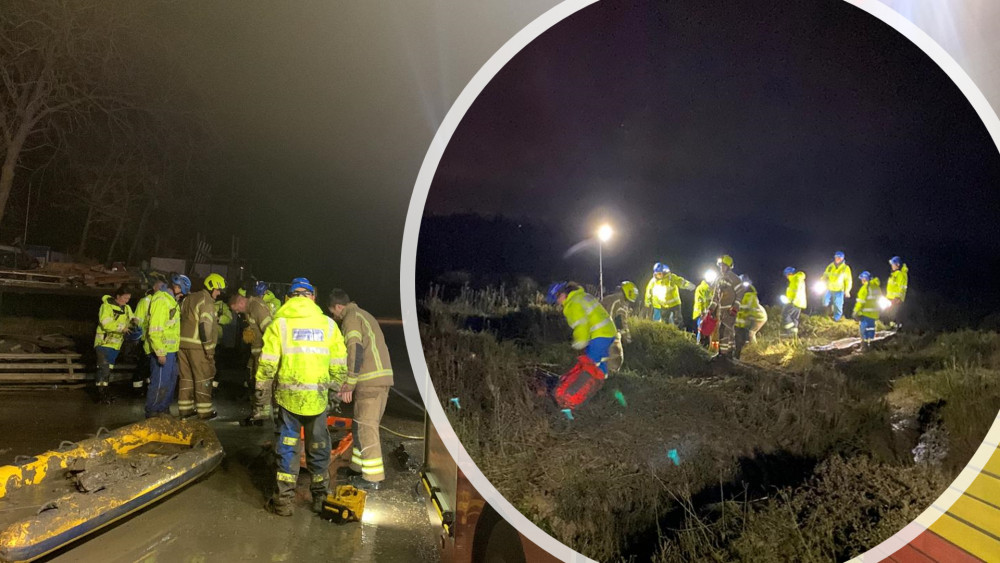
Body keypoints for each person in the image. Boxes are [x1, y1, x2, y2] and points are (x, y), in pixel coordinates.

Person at [252, 278, 347, 516]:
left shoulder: (280, 325)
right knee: (319, 447)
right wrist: (333, 392)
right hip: (317, 400)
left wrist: (261, 397)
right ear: (312, 297)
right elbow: (339, 364)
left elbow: (267, 365)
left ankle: (283, 502)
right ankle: (320, 499)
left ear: (290, 298)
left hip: (288, 400)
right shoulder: (328, 325)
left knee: (287, 448)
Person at [328, 289, 394, 491]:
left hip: (370, 382)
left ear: (339, 307)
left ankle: (373, 479)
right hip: (373, 381)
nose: (334, 317)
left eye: (332, 312)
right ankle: (357, 467)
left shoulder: (351, 318)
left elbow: (354, 349)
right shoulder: (363, 315)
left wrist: (349, 382)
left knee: (366, 428)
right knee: (359, 426)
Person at [546, 282, 617, 411]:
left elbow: (581, 325)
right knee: (599, 366)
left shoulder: (572, 304)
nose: (558, 304)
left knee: (590, 367)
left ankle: (574, 400)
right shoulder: (581, 296)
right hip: (607, 332)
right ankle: (598, 392)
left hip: (598, 334)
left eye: (556, 300)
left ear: (561, 294)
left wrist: (578, 343)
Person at [178, 273, 225, 419]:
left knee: (186, 378)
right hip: (198, 346)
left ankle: (185, 410)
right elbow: (205, 326)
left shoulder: (189, 298)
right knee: (203, 378)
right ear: (211, 286)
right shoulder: (207, 301)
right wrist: (209, 349)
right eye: (218, 289)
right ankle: (204, 412)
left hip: (182, 344)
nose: (219, 293)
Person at [145, 274, 189, 418]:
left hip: (171, 351)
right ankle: (152, 412)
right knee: (159, 382)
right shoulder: (161, 300)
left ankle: (163, 409)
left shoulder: (171, 300)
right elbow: (155, 329)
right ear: (176, 287)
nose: (182, 295)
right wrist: (160, 352)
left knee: (170, 380)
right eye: (182, 291)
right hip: (163, 351)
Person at [228, 290, 273, 416]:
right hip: (257, 353)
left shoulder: (256, 307)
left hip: (263, 353)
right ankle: (259, 410)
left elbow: (270, 330)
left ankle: (262, 413)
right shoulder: (250, 309)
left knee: (262, 382)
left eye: (236, 309)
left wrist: (268, 353)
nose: (237, 312)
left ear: (241, 302)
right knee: (255, 380)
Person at [93, 285, 135, 404]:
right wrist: (122, 328)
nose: (127, 301)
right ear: (118, 296)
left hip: (115, 345)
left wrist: (135, 322)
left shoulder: (127, 308)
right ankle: (101, 395)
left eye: (128, 299)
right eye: (125, 298)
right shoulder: (106, 306)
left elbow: (132, 319)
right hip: (104, 343)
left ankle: (104, 393)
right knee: (103, 369)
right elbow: (105, 323)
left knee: (107, 370)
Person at [131, 273, 166, 396]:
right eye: (161, 287)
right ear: (155, 288)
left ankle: (147, 388)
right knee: (143, 365)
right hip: (146, 339)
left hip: (156, 340)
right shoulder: (145, 301)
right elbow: (137, 320)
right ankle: (137, 389)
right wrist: (138, 333)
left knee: (151, 367)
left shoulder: (162, 301)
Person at [710, 255, 746, 358]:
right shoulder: (719, 279)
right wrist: (711, 308)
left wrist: (735, 306)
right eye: (720, 265)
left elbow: (740, 292)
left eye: (724, 266)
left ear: (729, 266)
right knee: (728, 331)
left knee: (724, 330)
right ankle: (730, 352)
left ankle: (723, 354)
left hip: (730, 309)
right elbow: (716, 296)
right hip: (722, 309)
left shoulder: (734, 278)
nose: (722, 268)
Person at [600, 280, 637, 373]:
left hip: (607, 331)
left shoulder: (623, 304)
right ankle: (608, 372)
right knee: (610, 353)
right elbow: (609, 316)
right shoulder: (614, 300)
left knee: (616, 354)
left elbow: (624, 322)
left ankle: (612, 372)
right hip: (600, 329)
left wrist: (627, 336)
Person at [644, 263, 695, 328]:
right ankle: (666, 333)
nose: (658, 275)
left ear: (664, 272)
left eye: (660, 273)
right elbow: (648, 291)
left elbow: (680, 281)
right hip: (663, 305)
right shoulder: (653, 281)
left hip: (675, 303)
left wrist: (689, 285)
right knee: (664, 321)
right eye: (657, 274)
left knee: (677, 320)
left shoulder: (671, 277)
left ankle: (679, 332)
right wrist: (647, 302)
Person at [734, 276, 767, 359]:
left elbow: (746, 311)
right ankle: (750, 350)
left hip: (758, 317)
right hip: (752, 317)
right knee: (744, 334)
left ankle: (755, 351)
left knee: (751, 333)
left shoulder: (750, 296)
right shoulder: (741, 294)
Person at [853, 271, 883, 346]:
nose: (861, 281)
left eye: (862, 279)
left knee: (863, 330)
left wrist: (856, 311)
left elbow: (861, 302)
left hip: (866, 313)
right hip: (874, 313)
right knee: (871, 329)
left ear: (865, 279)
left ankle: (864, 347)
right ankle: (871, 345)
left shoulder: (865, 288)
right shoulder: (876, 287)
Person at [821, 251, 853, 321]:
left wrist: (847, 290)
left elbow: (848, 280)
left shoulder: (845, 268)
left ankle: (836, 319)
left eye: (839, 258)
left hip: (839, 290)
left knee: (838, 306)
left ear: (842, 259)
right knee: (824, 301)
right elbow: (825, 275)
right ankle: (827, 314)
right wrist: (821, 282)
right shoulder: (830, 266)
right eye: (836, 257)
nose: (837, 259)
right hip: (828, 288)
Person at [780, 267, 807, 339]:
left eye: (786, 275)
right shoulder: (799, 278)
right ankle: (794, 335)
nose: (786, 277)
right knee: (794, 318)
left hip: (794, 302)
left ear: (789, 274)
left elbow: (795, 290)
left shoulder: (795, 278)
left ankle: (789, 333)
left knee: (785, 315)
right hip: (799, 303)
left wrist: (792, 300)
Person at [692, 270, 716, 345]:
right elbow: (699, 301)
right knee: (701, 330)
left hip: (710, 314)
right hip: (702, 314)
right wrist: (702, 313)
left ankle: (709, 347)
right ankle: (699, 346)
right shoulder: (701, 288)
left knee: (710, 331)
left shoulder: (714, 289)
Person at [884, 256, 909, 328]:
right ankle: (890, 326)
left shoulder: (899, 275)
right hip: (890, 298)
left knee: (895, 314)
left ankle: (896, 328)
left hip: (895, 299)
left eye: (893, 264)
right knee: (889, 314)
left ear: (897, 265)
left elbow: (902, 287)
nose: (892, 265)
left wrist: (898, 297)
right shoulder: (893, 274)